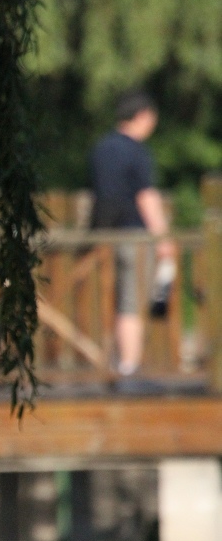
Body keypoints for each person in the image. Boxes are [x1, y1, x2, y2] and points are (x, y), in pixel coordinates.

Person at [89, 90, 176, 380]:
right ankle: (129, 365)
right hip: (135, 236)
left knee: (109, 298)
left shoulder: (101, 148)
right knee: (132, 301)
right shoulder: (137, 151)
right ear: (141, 117)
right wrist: (163, 238)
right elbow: (146, 197)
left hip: (103, 236)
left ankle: (109, 359)